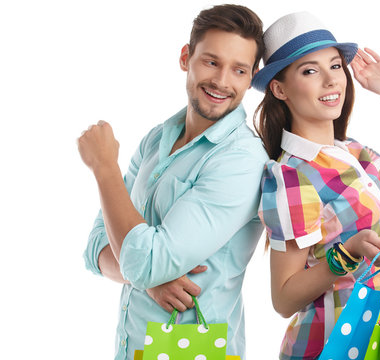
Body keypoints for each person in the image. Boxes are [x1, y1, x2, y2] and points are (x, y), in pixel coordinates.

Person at [252, 12, 380, 359]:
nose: (331, 81)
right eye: (310, 70)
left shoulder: (352, 154)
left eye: (335, 66)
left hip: (375, 338)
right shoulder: (291, 176)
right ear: (279, 88)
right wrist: (348, 253)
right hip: (327, 344)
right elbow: (284, 299)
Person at [78, 5, 267, 360]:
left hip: (196, 350)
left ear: (250, 77)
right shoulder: (157, 139)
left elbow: (144, 261)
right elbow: (96, 246)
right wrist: (148, 278)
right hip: (132, 347)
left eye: (239, 70)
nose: (222, 81)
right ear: (186, 57)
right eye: (211, 62)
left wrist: (105, 168)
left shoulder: (241, 160)